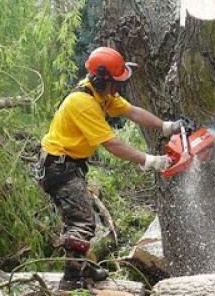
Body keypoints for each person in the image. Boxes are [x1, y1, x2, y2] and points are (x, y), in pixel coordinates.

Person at [36, 46, 183, 291]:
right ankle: (71, 279)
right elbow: (112, 144)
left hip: (66, 165)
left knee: (76, 218)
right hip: (59, 167)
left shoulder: (100, 94)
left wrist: (167, 126)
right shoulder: (82, 102)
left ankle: (81, 265)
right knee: (83, 222)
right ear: (101, 79)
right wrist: (150, 161)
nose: (119, 87)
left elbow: (132, 112)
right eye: (116, 82)